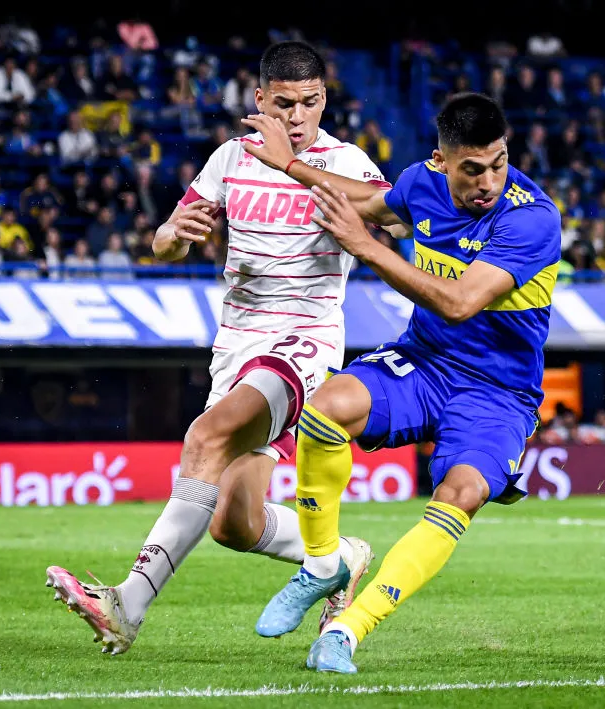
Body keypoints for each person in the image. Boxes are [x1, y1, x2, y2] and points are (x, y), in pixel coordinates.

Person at [44, 40, 394, 655]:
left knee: (204, 438)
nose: (296, 117)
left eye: (310, 103)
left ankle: (127, 603)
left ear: (323, 101)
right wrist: (173, 233)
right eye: (283, 103)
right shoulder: (231, 158)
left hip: (303, 342)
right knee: (236, 522)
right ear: (259, 100)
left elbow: (405, 217)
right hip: (236, 345)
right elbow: (165, 243)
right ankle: (340, 555)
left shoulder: (347, 164)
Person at [238, 92, 562, 673]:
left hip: (498, 393)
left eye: (499, 162)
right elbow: (367, 200)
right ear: (441, 161)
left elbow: (460, 302)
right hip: (427, 362)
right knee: (326, 406)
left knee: (461, 492)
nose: (488, 180)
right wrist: (289, 164)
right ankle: (321, 565)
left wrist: (366, 248)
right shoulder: (421, 184)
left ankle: (346, 630)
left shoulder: (531, 217)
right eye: (472, 168)